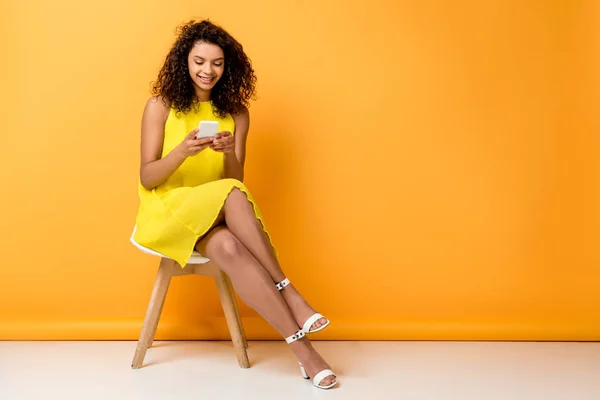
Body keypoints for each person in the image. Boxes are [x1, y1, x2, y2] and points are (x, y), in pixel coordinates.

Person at [132, 20, 337, 389]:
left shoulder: (236, 112)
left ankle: (304, 353)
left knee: (229, 241)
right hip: (168, 212)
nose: (207, 71)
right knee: (230, 194)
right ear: (184, 61)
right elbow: (147, 177)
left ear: (228, 67)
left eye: (217, 63)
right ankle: (289, 290)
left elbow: (235, 179)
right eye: (199, 61)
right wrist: (181, 152)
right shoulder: (160, 106)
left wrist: (227, 153)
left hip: (214, 215)